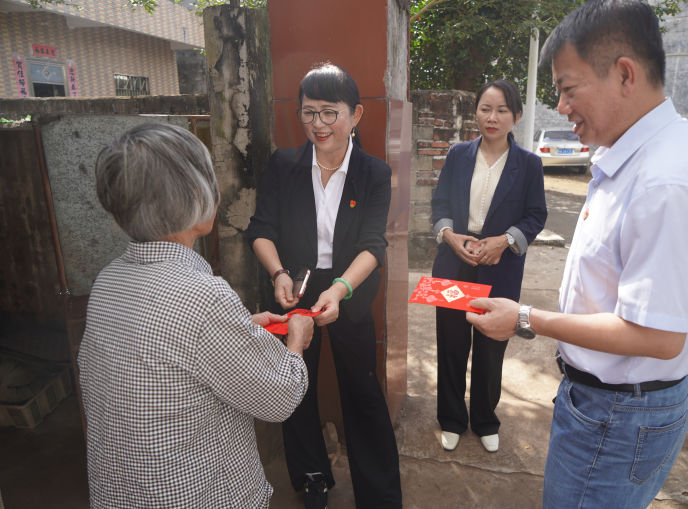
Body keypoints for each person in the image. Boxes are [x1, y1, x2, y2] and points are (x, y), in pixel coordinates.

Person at [465, 1, 688, 507]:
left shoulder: (666, 179)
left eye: (568, 89)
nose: (561, 107)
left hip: (618, 416)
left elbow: (657, 335)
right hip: (612, 406)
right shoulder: (636, 155)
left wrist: (525, 317)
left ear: (624, 74)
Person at [77, 123, 314, 509]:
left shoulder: (109, 279)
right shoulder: (203, 296)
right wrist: (296, 339)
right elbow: (279, 397)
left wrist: (241, 329)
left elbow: (169, 355)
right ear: (194, 197)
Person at [247, 63, 402, 509]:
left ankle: (379, 492)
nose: (319, 124)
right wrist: (278, 273)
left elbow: (373, 245)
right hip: (293, 288)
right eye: (309, 112)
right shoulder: (285, 165)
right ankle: (312, 477)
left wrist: (339, 290)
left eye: (330, 112)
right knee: (296, 385)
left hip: (348, 289)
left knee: (362, 389)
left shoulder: (373, 173)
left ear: (355, 115)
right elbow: (261, 229)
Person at [430, 79, 547, 453]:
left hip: (500, 267)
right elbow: (439, 204)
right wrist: (449, 236)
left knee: (490, 348)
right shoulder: (458, 155)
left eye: (501, 110)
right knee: (451, 345)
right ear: (476, 112)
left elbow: (536, 215)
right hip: (454, 263)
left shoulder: (528, 164)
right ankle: (451, 418)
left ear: (517, 116)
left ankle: (484, 420)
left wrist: (506, 240)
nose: (492, 117)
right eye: (485, 109)